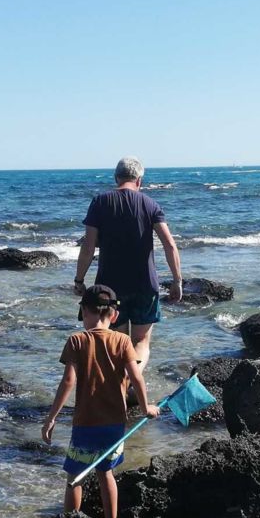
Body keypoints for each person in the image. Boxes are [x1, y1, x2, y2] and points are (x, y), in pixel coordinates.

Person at [41, 285, 160, 518]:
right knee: (106, 474)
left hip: (85, 422)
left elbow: (68, 381)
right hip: (115, 423)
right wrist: (146, 406)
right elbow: (136, 377)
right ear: (114, 315)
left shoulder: (76, 341)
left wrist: (51, 418)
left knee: (75, 476)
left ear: (84, 311)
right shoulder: (123, 341)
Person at [74, 156, 183, 372]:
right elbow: (170, 245)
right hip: (145, 285)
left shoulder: (100, 202)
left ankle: (120, 385)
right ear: (139, 180)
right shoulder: (151, 204)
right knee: (141, 342)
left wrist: (79, 280)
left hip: (110, 288)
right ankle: (131, 383)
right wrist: (177, 281)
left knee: (118, 342)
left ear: (116, 178)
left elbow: (88, 246)